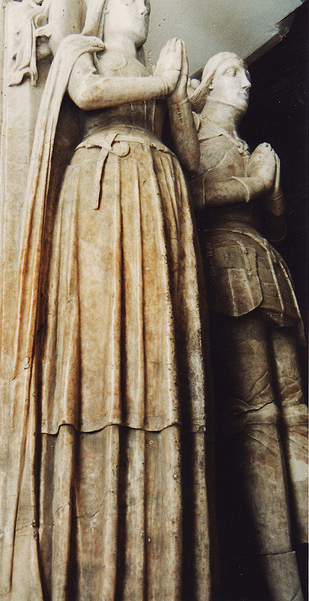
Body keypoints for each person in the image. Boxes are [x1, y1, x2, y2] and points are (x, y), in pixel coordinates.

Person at [0, 0, 213, 599]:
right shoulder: (81, 53)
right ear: (100, 10)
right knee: (97, 350)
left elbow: (195, 163)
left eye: (146, 2)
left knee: (159, 359)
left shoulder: (163, 75)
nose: (141, 8)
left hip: (156, 191)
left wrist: (177, 97)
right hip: (102, 192)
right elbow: (88, 94)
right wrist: (161, 82)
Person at [189, 52, 308, 601]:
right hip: (227, 266)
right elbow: (190, 198)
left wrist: (273, 189)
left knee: (293, 412)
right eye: (235, 73)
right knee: (258, 419)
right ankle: (278, 578)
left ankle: (302, 547)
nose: (248, 81)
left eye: (247, 73)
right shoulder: (193, 133)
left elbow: (278, 226)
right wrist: (256, 185)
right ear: (210, 83)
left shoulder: (246, 146)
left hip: (264, 265)